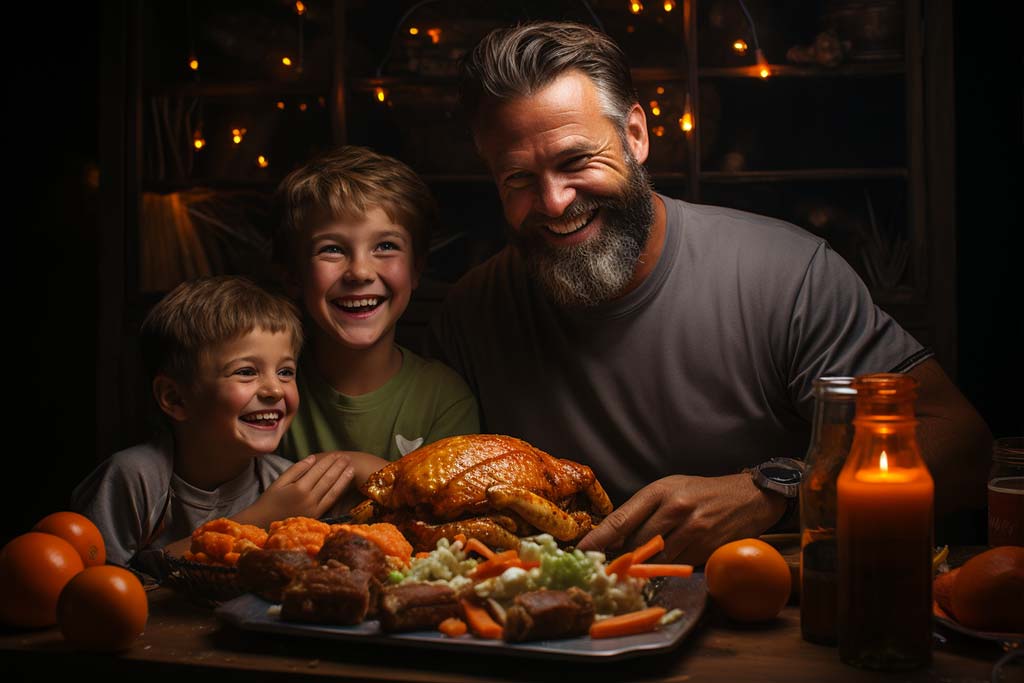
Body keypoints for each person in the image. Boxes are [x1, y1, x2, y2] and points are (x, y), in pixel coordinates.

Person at [431, 22, 992, 563]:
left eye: (576, 160)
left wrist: (774, 491)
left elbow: (960, 448)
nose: (553, 202)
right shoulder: (473, 311)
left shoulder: (784, 276)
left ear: (634, 135)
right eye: (519, 179)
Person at [73, 276, 356, 575]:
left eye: (286, 371)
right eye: (246, 372)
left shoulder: (285, 483)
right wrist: (260, 519)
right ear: (175, 398)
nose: (274, 389)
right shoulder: (133, 478)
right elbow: (95, 587)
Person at [275, 145, 479, 466]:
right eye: (331, 249)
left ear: (415, 269)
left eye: (385, 246)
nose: (359, 272)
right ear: (294, 275)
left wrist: (363, 471)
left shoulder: (443, 400)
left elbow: (450, 510)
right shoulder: (270, 392)